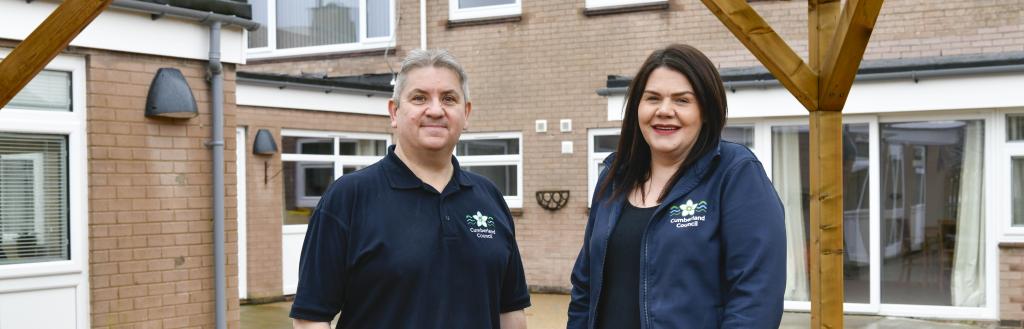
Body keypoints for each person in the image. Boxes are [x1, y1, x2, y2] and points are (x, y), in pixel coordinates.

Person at [291, 49, 530, 329]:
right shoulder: (348, 197)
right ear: (395, 112)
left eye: (449, 99)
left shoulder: (489, 198)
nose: (436, 110)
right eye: (419, 98)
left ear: (465, 114)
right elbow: (311, 319)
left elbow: (510, 312)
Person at [567, 44, 786, 329]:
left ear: (705, 111)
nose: (664, 111)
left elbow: (757, 295)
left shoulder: (734, 173)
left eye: (682, 100)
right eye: (652, 98)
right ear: (637, 108)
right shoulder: (614, 178)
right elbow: (585, 286)